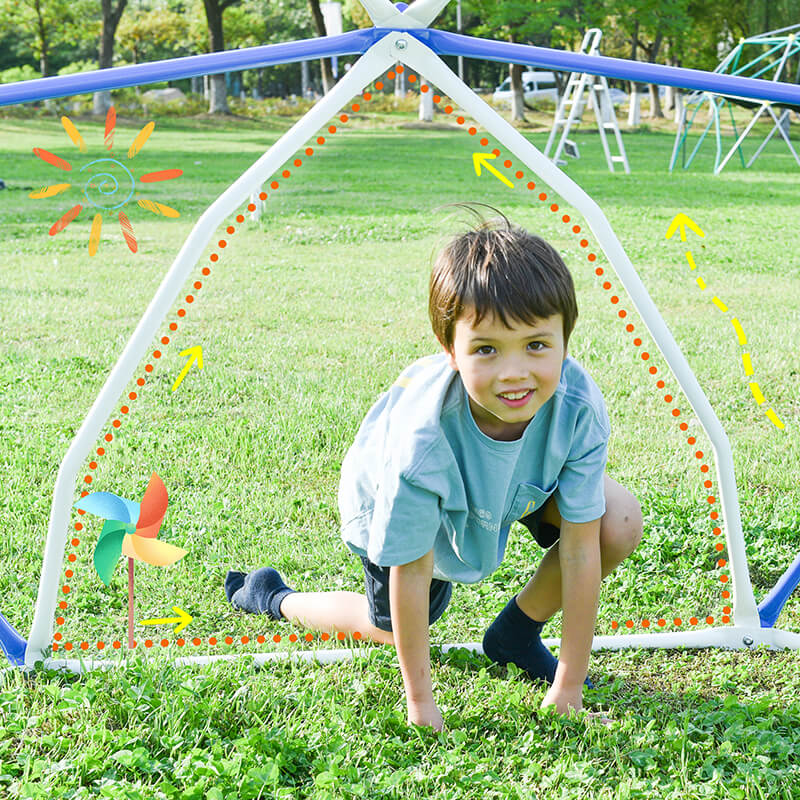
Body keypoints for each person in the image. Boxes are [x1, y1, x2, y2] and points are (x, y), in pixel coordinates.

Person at [225, 204, 643, 731]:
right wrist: (421, 702)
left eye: (537, 345)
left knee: (617, 519)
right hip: (398, 496)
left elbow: (582, 550)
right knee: (396, 628)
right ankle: (274, 596)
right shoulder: (421, 443)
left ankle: (514, 634)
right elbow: (413, 570)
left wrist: (570, 684)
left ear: (566, 340)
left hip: (515, 485)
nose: (515, 374)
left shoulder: (577, 404)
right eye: (486, 349)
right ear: (450, 350)